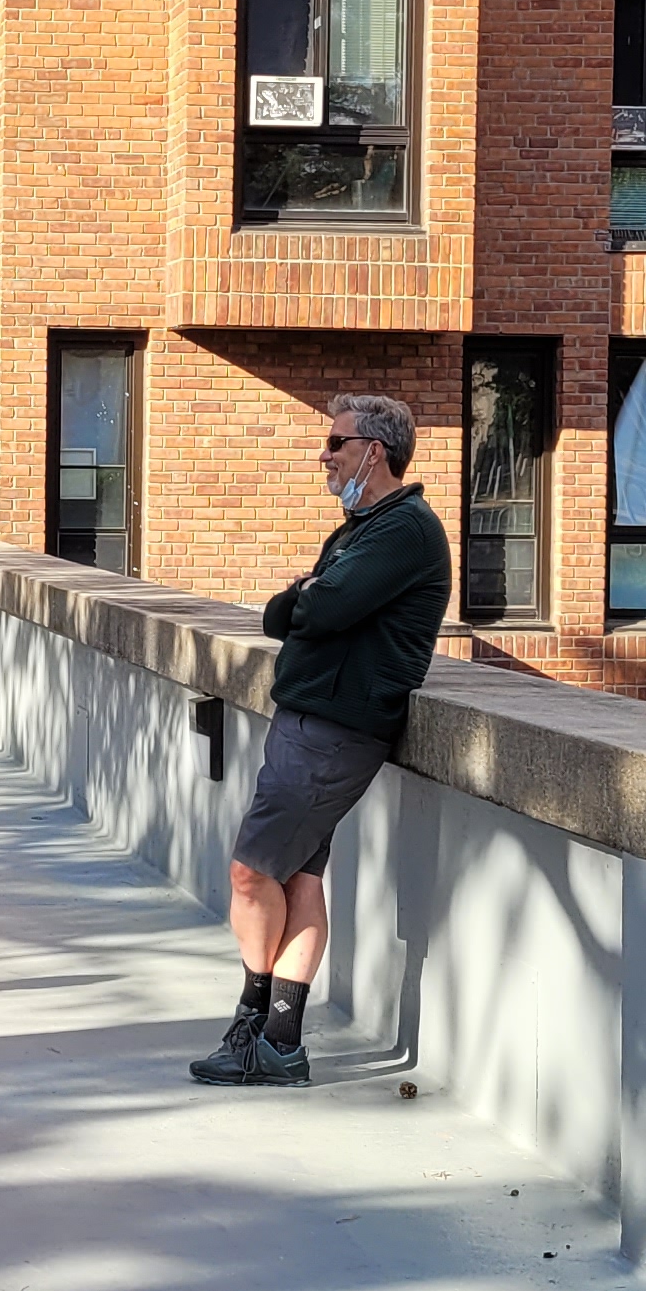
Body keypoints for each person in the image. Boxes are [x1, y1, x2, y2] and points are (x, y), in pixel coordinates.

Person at [196, 392, 451, 1087]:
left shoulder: (405, 530)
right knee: (297, 877)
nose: (324, 455)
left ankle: (253, 1025)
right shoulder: (362, 528)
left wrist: (310, 595)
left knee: (251, 872)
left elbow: (323, 607)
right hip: (313, 724)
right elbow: (282, 615)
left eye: (337, 443)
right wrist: (304, 597)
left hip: (336, 732)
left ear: (375, 451)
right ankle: (281, 1044)